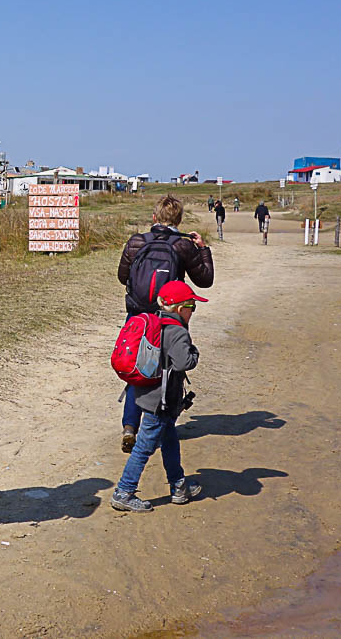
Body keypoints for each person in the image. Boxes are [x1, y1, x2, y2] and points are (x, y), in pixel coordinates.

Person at [116, 195, 213, 452]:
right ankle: (158, 425)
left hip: (137, 315)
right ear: (179, 220)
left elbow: (122, 276)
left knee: (137, 368)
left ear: (154, 217)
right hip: (167, 315)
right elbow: (204, 280)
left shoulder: (136, 241)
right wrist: (202, 248)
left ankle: (129, 426)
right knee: (168, 371)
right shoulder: (182, 246)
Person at [110, 280, 205, 512]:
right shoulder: (177, 332)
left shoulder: (156, 321)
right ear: (181, 308)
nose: (193, 311)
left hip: (147, 393)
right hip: (161, 400)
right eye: (192, 305)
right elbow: (185, 362)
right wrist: (195, 352)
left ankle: (178, 485)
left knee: (170, 438)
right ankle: (124, 491)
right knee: (144, 445)